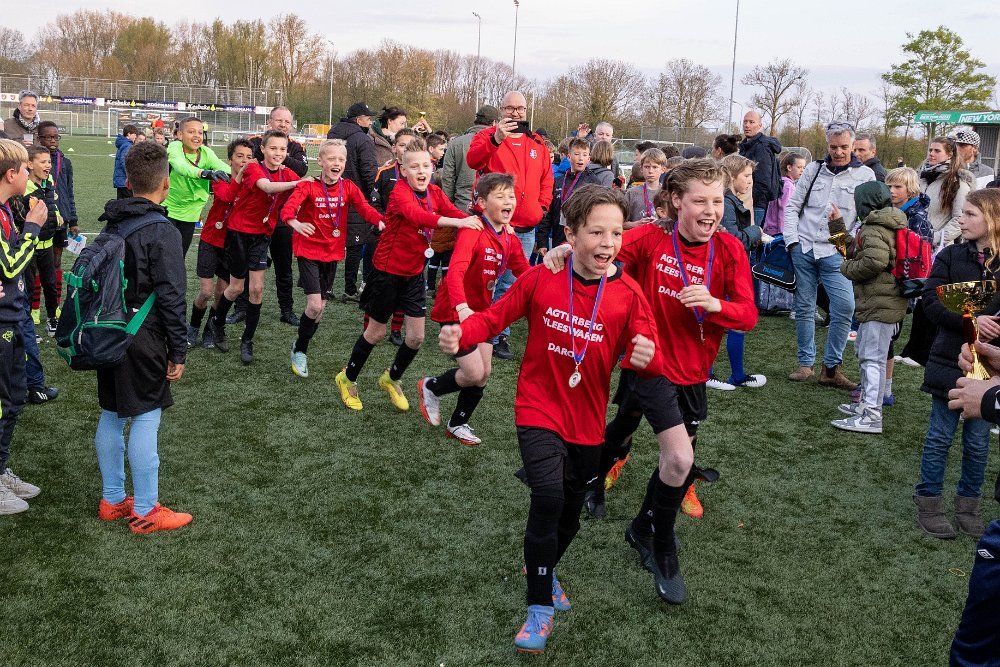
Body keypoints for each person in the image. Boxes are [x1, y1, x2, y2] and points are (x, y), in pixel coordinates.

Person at [439, 185, 659, 653]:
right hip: (537, 407)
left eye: (616, 233)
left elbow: (649, 344)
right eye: (596, 232)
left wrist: (645, 352)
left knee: (570, 513)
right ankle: (538, 606)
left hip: (587, 421)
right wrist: (461, 333)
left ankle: (543, 565)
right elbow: (494, 318)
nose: (608, 243)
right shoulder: (543, 277)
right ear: (570, 234)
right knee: (548, 495)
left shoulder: (628, 293)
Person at [334, 138, 481, 412]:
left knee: (416, 338)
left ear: (432, 167)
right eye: (414, 167)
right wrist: (458, 222)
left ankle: (391, 379)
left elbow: (453, 211)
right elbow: (418, 217)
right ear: (403, 170)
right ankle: (347, 377)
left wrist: (484, 222)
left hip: (414, 274)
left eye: (426, 165)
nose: (421, 171)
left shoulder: (435, 192)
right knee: (376, 333)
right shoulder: (399, 193)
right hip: (387, 273)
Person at [91, 140, 191, 533]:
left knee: (112, 412)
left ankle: (113, 499)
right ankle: (147, 509)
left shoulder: (112, 221)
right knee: (146, 415)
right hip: (142, 335)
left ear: (129, 182)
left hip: (107, 331)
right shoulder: (162, 230)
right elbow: (172, 296)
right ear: (166, 184)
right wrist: (178, 350)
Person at [913, 188, 1000, 540]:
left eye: (969, 214)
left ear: (992, 220)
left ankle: (968, 507)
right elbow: (930, 304)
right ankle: (929, 502)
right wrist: (974, 322)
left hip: (990, 369)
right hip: (949, 358)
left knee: (978, 443)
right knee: (939, 437)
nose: (961, 220)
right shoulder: (949, 255)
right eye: (962, 213)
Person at [419, 173, 531, 445]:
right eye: (500, 196)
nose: (509, 201)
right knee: (473, 373)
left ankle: (457, 424)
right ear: (481, 203)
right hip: (456, 310)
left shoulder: (510, 237)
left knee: (484, 373)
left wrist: (552, 279)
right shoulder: (473, 230)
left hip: (483, 313)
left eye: (511, 196)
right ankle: (431, 387)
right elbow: (456, 271)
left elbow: (526, 273)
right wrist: (462, 307)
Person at [784, 121, 876, 388]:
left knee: (845, 307)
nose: (839, 152)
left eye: (844, 146)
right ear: (827, 145)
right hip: (804, 247)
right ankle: (806, 364)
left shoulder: (865, 176)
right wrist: (792, 242)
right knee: (804, 306)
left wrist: (847, 243)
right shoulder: (813, 170)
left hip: (837, 251)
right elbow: (793, 206)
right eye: (834, 147)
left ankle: (832, 368)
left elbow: (866, 218)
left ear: (853, 145)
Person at [283, 139, 384, 378]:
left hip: (332, 252)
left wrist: (380, 220)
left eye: (341, 159)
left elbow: (365, 208)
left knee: (320, 309)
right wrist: (296, 223)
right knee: (315, 305)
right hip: (308, 251)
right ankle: (300, 349)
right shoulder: (308, 186)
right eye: (331, 159)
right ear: (320, 161)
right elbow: (287, 210)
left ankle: (301, 343)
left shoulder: (348, 187)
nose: (336, 163)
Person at [467, 90, 553, 361]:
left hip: (525, 229)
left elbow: (547, 179)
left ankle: (498, 336)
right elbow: (473, 161)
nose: (515, 113)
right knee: (483, 282)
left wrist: (541, 207)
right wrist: (496, 138)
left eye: (520, 108)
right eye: (509, 108)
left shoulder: (537, 142)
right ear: (501, 110)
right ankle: (472, 333)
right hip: (493, 227)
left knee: (510, 285)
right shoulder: (487, 135)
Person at [207, 130, 300, 365]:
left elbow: (301, 191)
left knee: (257, 290)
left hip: (262, 236)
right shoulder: (253, 168)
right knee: (236, 288)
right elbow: (267, 187)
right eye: (273, 148)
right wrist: (299, 183)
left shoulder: (287, 173)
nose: (278, 153)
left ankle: (247, 341)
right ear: (263, 150)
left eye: (282, 149)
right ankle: (217, 323)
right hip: (239, 234)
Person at [828, 182, 908, 434]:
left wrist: (846, 269)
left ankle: (872, 415)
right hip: (882, 303)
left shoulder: (875, 227)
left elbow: (873, 261)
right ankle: (867, 406)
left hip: (880, 303)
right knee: (870, 356)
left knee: (872, 359)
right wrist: (837, 227)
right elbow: (855, 250)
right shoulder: (885, 224)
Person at [0, 138, 47, 515]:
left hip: (11, 317)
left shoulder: (4, 210)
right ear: (11, 174)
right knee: (3, 403)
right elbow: (11, 266)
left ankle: (1, 471)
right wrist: (32, 228)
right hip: (2, 320)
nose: (30, 177)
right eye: (26, 171)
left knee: (14, 399)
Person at [245, 106, 310, 327]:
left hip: (282, 217)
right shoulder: (254, 141)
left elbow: (301, 170)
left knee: (284, 266)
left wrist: (281, 157)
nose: (283, 124)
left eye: (287, 122)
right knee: (249, 266)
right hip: (254, 216)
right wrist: (276, 155)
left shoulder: (296, 146)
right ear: (269, 122)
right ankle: (242, 308)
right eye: (278, 120)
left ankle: (287, 309)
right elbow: (246, 162)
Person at [187, 138, 254, 349]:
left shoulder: (254, 184)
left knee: (220, 294)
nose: (244, 161)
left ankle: (209, 330)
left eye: (249, 157)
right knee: (206, 292)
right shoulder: (221, 178)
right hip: (210, 240)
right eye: (239, 156)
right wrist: (241, 177)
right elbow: (226, 196)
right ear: (230, 160)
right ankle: (193, 327)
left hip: (233, 245)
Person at [710, 153, 768, 390]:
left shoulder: (732, 200)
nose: (750, 181)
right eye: (746, 176)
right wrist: (755, 232)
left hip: (731, 268)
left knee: (735, 320)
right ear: (732, 176)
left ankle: (736, 374)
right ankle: (710, 373)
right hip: (724, 269)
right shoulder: (726, 202)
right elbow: (734, 240)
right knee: (723, 319)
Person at [369, 128, 418, 344]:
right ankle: (370, 326)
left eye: (410, 145)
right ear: (394, 147)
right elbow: (374, 202)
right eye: (402, 145)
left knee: (404, 286)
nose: (406, 149)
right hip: (385, 237)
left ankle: (396, 330)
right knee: (379, 286)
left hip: (410, 240)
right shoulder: (384, 172)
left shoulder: (421, 174)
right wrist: (383, 224)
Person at [329, 102, 379, 302]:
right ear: (359, 120)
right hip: (355, 197)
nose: (370, 122)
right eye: (368, 118)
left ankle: (326, 286)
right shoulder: (362, 139)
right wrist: (373, 195)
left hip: (332, 194)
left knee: (331, 240)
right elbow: (368, 172)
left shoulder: (332, 134)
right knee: (355, 245)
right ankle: (349, 290)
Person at [161, 116, 231, 257]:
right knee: (164, 256)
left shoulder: (206, 152)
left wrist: (245, 173)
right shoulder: (175, 147)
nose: (197, 136)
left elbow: (223, 167)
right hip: (169, 209)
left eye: (200, 132)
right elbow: (181, 167)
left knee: (180, 256)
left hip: (192, 212)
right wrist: (204, 173)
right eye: (191, 132)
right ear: (180, 135)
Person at [536, 139, 612, 253]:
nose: (581, 158)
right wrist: (542, 242)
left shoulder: (594, 183)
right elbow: (548, 213)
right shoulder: (558, 181)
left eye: (584, 155)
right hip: (558, 237)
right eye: (577, 154)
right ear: (569, 157)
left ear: (589, 158)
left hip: (582, 241)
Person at [19, 146, 62, 336]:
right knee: (28, 287)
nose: (48, 165)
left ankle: (52, 318)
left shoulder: (49, 182)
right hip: (30, 246)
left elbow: (52, 204)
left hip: (48, 245)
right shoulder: (24, 188)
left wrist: (57, 214)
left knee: (50, 285)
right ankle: (28, 326)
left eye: (49, 162)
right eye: (43, 162)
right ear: (30, 164)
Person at [36, 121, 77, 309]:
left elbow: (69, 191)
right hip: (40, 220)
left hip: (61, 220)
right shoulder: (33, 162)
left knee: (56, 262)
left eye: (56, 137)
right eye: (49, 137)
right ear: (39, 139)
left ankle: (55, 306)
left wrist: (73, 219)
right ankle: (35, 308)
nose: (53, 140)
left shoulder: (65, 162)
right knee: (37, 265)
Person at [440, 105, 500, 213]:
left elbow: (447, 178)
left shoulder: (456, 143)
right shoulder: (500, 143)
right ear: (494, 123)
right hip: (492, 207)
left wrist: (449, 205)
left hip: (462, 205)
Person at [920, 137, 974, 251]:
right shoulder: (922, 177)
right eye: (930, 150)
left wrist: (934, 238)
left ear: (949, 155)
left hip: (938, 248)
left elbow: (960, 218)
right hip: (913, 242)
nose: (931, 154)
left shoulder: (958, 183)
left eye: (937, 151)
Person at [738, 111, 782, 224]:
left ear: (759, 125)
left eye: (751, 122)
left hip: (755, 204)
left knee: (751, 233)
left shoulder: (762, 147)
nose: (747, 125)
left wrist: (749, 200)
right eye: (745, 122)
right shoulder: (746, 145)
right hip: (746, 201)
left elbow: (763, 181)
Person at [762, 152, 806, 237]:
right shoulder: (788, 187)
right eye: (799, 167)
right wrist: (784, 233)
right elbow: (784, 210)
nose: (802, 170)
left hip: (770, 228)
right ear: (789, 167)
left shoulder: (780, 182)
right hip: (778, 231)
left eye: (804, 168)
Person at [625, 148, 667, 227]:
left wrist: (660, 223)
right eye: (647, 167)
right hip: (638, 233)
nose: (650, 171)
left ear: (663, 169)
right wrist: (635, 224)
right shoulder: (631, 193)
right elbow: (621, 223)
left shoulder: (667, 193)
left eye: (655, 167)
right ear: (641, 168)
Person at [114, 124, 139, 199]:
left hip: (121, 181)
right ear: (128, 134)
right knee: (129, 202)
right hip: (125, 182)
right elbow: (124, 162)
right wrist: (131, 176)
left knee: (121, 202)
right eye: (134, 134)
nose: (135, 137)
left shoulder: (123, 144)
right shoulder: (127, 145)